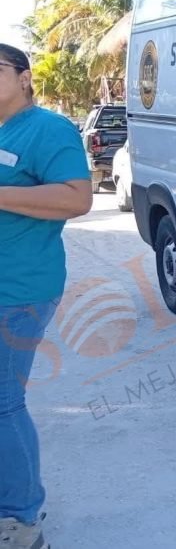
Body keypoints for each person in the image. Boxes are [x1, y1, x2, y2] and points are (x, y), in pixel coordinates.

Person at [0, 45, 92, 549]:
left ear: (25, 77)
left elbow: (77, 197)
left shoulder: (48, 129)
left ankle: (19, 520)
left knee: (3, 402)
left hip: (18, 290)